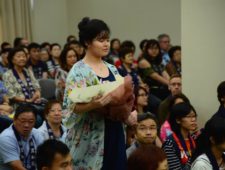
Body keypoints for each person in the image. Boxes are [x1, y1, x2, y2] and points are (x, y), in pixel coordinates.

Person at [63, 17, 136, 170]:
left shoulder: (112, 68)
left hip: (115, 129)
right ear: (87, 42)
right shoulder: (78, 71)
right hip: (91, 134)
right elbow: (70, 107)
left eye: (107, 40)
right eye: (100, 40)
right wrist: (93, 104)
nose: (106, 44)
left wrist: (126, 111)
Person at [0, 104, 44, 170]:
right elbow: (18, 167)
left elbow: (45, 156)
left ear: (35, 122)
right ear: (14, 120)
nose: (26, 125)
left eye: (31, 122)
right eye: (23, 121)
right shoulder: (6, 137)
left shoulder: (37, 133)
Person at [163, 103, 197, 170]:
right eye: (189, 117)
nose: (193, 119)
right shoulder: (169, 143)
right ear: (178, 120)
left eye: (194, 116)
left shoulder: (195, 138)